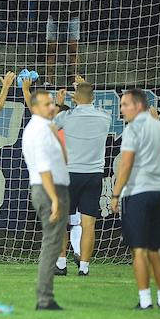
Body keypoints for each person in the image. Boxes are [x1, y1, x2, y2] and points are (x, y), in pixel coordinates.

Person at [110, 89, 160, 310]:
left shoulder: (133, 128)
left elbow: (125, 164)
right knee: (155, 248)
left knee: (138, 249)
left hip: (138, 192)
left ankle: (145, 300)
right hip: (159, 191)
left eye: (125, 104)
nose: (121, 109)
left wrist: (116, 193)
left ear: (138, 106)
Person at [52, 79, 111, 276]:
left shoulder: (66, 116)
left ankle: (61, 264)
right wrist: (84, 88)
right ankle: (84, 267)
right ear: (94, 98)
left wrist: (60, 104)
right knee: (88, 223)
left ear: (74, 97)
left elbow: (50, 128)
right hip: (94, 175)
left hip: (70, 174)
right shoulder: (105, 117)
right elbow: (86, 96)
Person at [20, 86, 68, 310]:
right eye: (47, 104)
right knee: (51, 243)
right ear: (35, 107)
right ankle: (44, 298)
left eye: (52, 103)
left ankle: (45, 296)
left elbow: (63, 158)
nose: (52, 106)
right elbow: (44, 167)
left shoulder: (46, 126)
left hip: (50, 186)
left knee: (53, 242)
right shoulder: (38, 129)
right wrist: (55, 198)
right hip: (49, 188)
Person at [39, 0, 85, 87]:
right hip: (54, 18)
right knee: (51, 50)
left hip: (72, 17)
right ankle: (49, 81)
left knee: (73, 51)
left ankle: (74, 82)